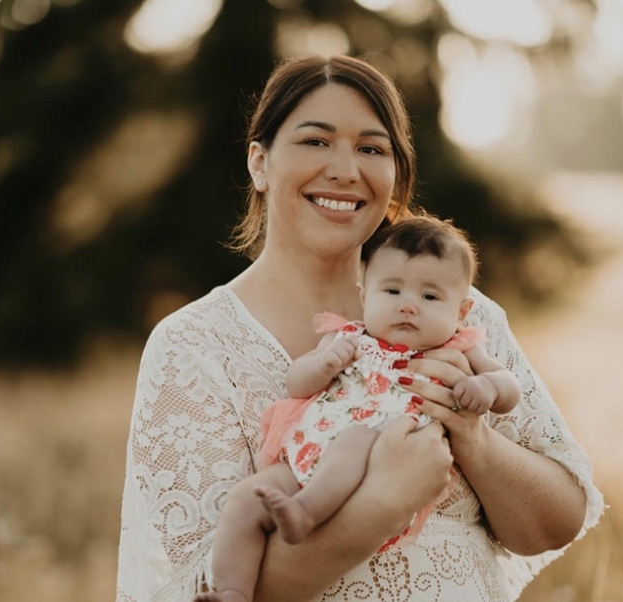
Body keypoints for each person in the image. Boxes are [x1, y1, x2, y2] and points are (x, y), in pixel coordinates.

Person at [116, 55, 604, 602]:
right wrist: (379, 506)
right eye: (315, 141)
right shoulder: (195, 346)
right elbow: (195, 588)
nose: (346, 170)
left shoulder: (461, 315)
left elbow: (556, 521)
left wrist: (472, 438)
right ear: (259, 162)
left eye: (372, 149)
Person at [194, 215, 523, 602]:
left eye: (430, 297)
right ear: (365, 295)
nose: (408, 307)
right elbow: (296, 384)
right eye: (392, 291)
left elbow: (509, 386)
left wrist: (484, 386)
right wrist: (324, 364)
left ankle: (305, 513)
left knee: (352, 441)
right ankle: (233, 592)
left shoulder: (460, 346)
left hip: (380, 466)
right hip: (306, 455)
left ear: (462, 311)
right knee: (247, 499)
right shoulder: (347, 336)